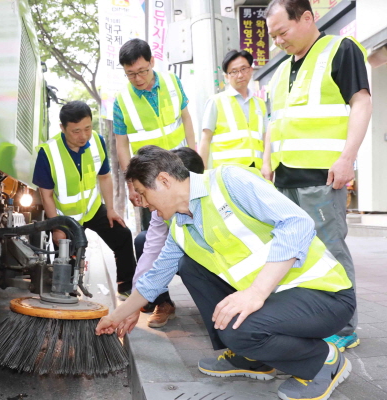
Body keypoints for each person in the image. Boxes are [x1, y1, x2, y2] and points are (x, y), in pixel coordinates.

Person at [97, 145, 355, 400]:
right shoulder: (180, 226)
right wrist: (119, 314)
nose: (143, 203)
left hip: (324, 294)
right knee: (191, 267)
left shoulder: (229, 180)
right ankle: (250, 358)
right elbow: (155, 278)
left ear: (163, 180)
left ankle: (322, 360)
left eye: (142, 193)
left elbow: (297, 222)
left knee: (235, 330)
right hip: (276, 299)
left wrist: (256, 292)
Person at [264, 0, 371, 351]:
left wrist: (347, 157)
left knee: (331, 250)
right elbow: (274, 123)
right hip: (284, 178)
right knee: (294, 254)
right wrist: (267, 162)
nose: (278, 41)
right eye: (273, 35)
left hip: (322, 176)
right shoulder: (281, 71)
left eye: (283, 32)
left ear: (307, 18)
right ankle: (311, 319)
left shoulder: (340, 49)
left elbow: (361, 102)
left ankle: (345, 325)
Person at [32, 101, 136, 297]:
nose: (84, 136)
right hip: (65, 218)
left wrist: (111, 209)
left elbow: (104, 177)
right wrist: (57, 228)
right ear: (62, 128)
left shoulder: (97, 141)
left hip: (92, 209)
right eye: (76, 131)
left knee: (123, 234)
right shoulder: (48, 152)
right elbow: (46, 195)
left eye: (88, 128)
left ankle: (126, 287)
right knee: (67, 265)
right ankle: (69, 296)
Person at [113, 38, 196, 229]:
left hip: (181, 169)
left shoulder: (172, 81)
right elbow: (121, 144)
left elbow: (186, 118)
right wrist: (131, 184)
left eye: (142, 71)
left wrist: (194, 156)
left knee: (191, 224)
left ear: (152, 61)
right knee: (155, 232)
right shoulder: (121, 100)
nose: (138, 79)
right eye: (131, 74)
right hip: (148, 178)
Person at [133, 148, 204, 328]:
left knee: (189, 264)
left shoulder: (213, 199)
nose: (144, 203)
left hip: (207, 261)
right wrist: (133, 302)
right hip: (181, 254)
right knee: (143, 241)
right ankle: (162, 302)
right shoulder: (160, 210)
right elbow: (152, 250)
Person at [199, 50, 266, 170]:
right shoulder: (216, 102)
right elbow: (205, 139)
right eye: (234, 72)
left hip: (257, 171)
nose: (240, 75)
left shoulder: (259, 104)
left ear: (251, 70)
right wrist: (202, 173)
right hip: (227, 174)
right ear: (226, 77)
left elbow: (265, 138)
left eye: (243, 69)